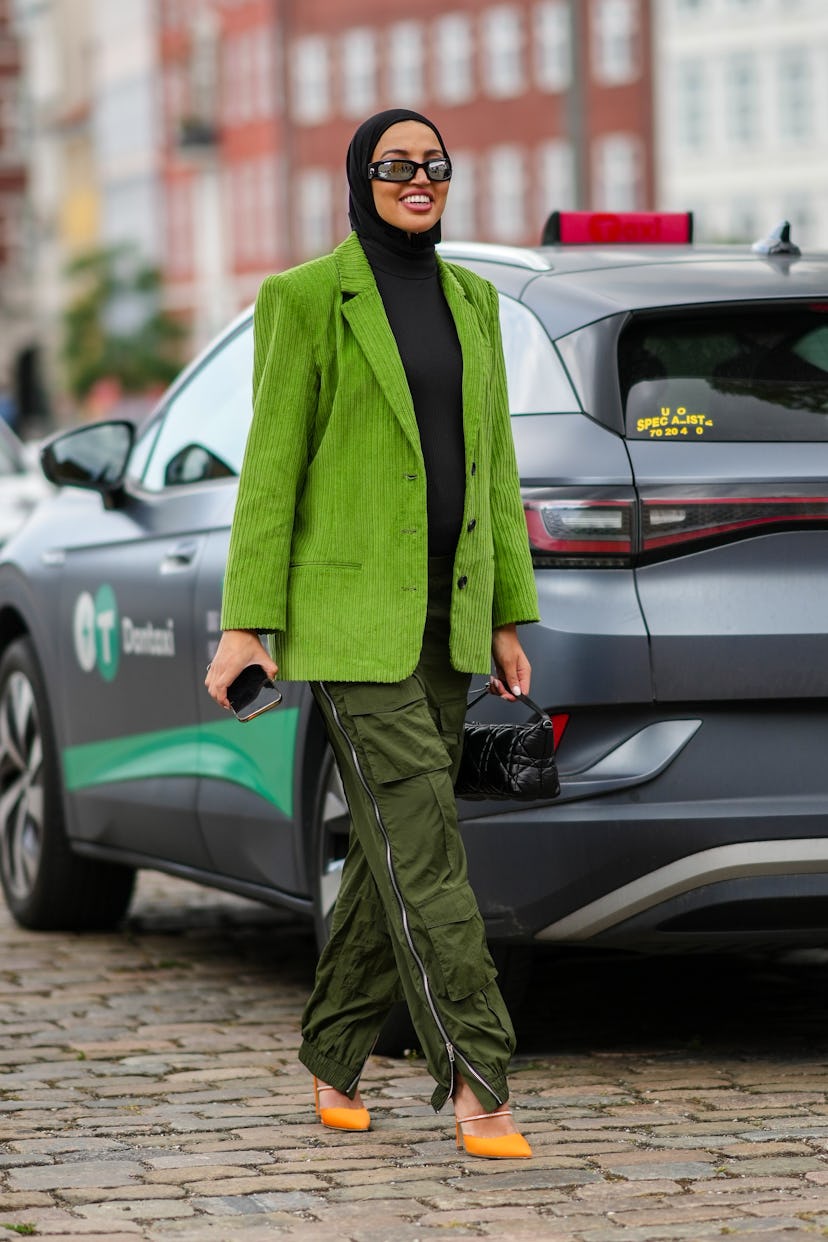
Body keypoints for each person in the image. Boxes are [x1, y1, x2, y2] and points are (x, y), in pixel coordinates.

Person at [205, 108, 540, 1159]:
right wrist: (243, 625)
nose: (418, 180)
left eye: (433, 166)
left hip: (449, 619)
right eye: (397, 166)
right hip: (350, 628)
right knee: (427, 849)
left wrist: (506, 616)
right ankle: (480, 1078)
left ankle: (333, 1053)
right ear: (362, 177)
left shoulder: (475, 302)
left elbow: (495, 466)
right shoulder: (305, 300)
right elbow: (270, 473)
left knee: (400, 845)